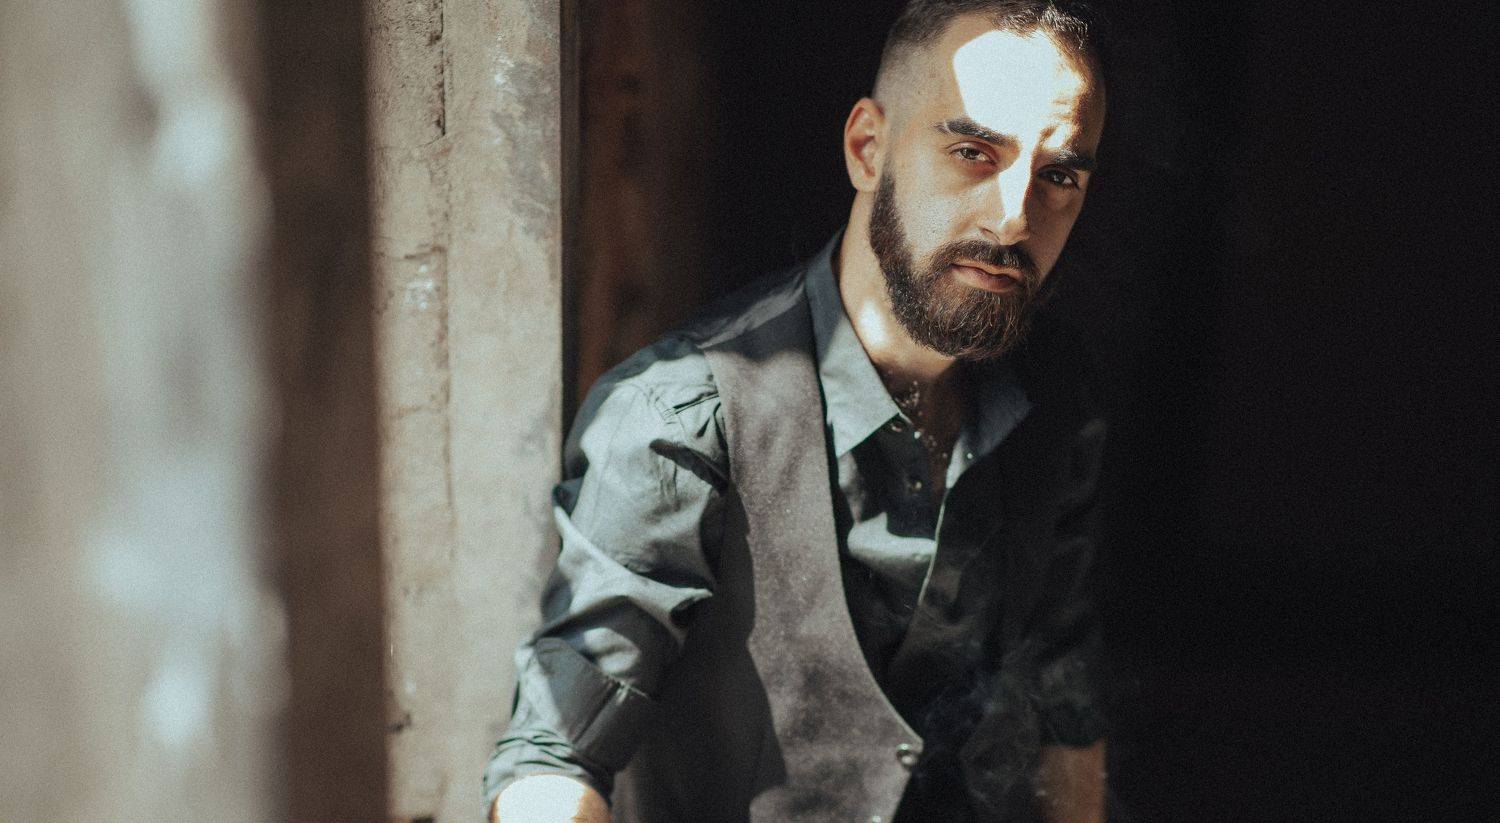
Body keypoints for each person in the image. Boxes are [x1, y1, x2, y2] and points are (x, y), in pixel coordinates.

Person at [485, 1, 1111, 820]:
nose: (1014, 215)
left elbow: (1064, 697)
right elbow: (552, 761)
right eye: (972, 152)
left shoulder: (1059, 398)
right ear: (867, 148)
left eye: (1058, 175)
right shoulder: (679, 418)